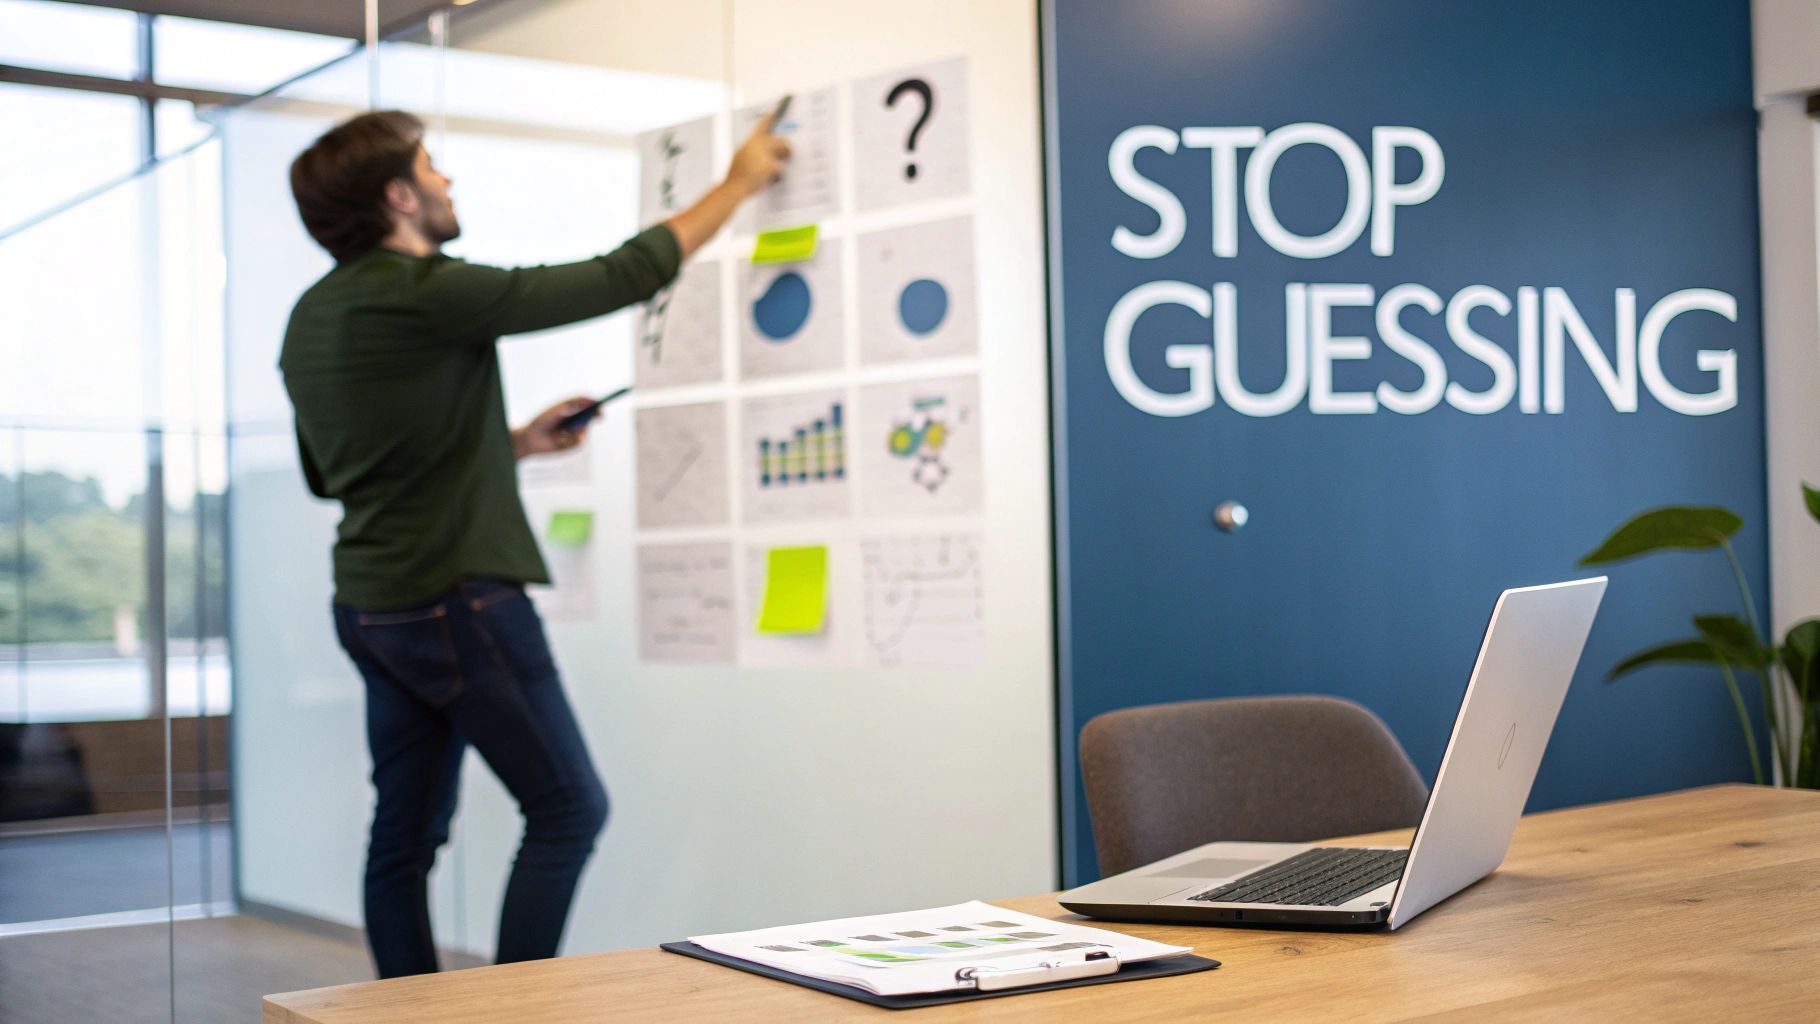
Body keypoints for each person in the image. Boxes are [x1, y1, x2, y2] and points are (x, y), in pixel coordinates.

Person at [280, 109, 787, 978]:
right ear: (399, 196)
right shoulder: (427, 290)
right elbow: (625, 274)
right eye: (433, 168)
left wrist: (511, 442)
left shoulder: (314, 317)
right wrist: (739, 181)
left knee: (402, 839)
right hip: (457, 600)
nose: (449, 183)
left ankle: (406, 1011)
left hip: (372, 609)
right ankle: (510, 1011)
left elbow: (341, 474)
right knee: (567, 810)